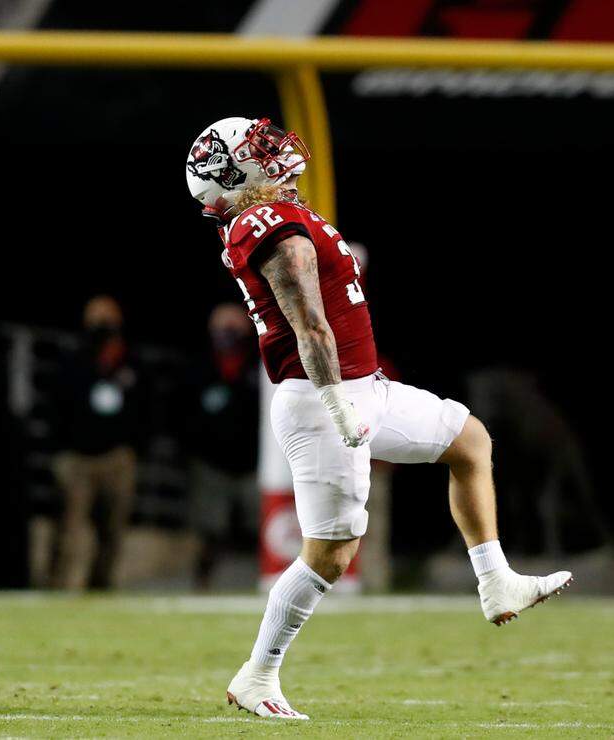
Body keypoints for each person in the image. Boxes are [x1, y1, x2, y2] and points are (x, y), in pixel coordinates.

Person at [185, 117, 572, 720]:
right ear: (234, 174)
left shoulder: (280, 214)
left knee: (468, 440)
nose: (278, 151)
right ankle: (258, 674)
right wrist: (339, 404)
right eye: (258, 150)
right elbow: (310, 324)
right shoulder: (266, 225)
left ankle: (496, 579)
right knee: (332, 554)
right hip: (323, 395)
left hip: (366, 386)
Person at [47, 295, 142, 590]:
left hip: (116, 457)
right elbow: (55, 407)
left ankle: (101, 586)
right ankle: (58, 586)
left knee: (112, 530)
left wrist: (135, 447)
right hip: (76, 458)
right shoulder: (72, 360)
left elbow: (145, 408)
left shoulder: (129, 361)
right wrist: (60, 450)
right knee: (69, 528)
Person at [185, 303, 261, 589]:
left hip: (253, 462)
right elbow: (182, 411)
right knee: (210, 530)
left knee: (260, 527)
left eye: (234, 327)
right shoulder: (199, 367)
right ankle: (202, 583)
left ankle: (267, 581)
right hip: (211, 463)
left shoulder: (261, 364)